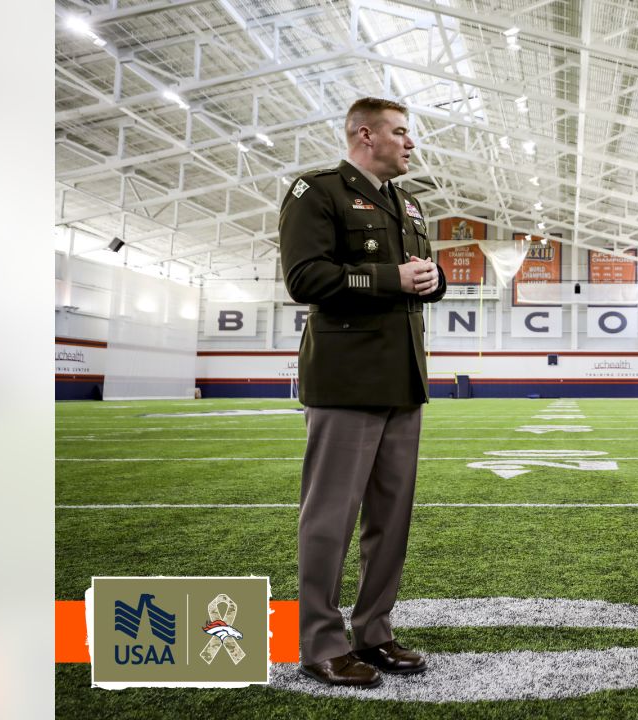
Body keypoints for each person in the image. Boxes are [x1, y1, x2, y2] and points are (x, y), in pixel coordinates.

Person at [279, 97, 446, 687]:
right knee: (330, 518)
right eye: (400, 133)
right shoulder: (317, 192)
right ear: (363, 134)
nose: (410, 143)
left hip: (403, 380)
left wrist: (433, 280)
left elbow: (417, 275)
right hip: (346, 381)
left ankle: (374, 631)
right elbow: (304, 278)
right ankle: (321, 642)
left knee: (391, 521)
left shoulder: (412, 204)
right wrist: (390, 278)